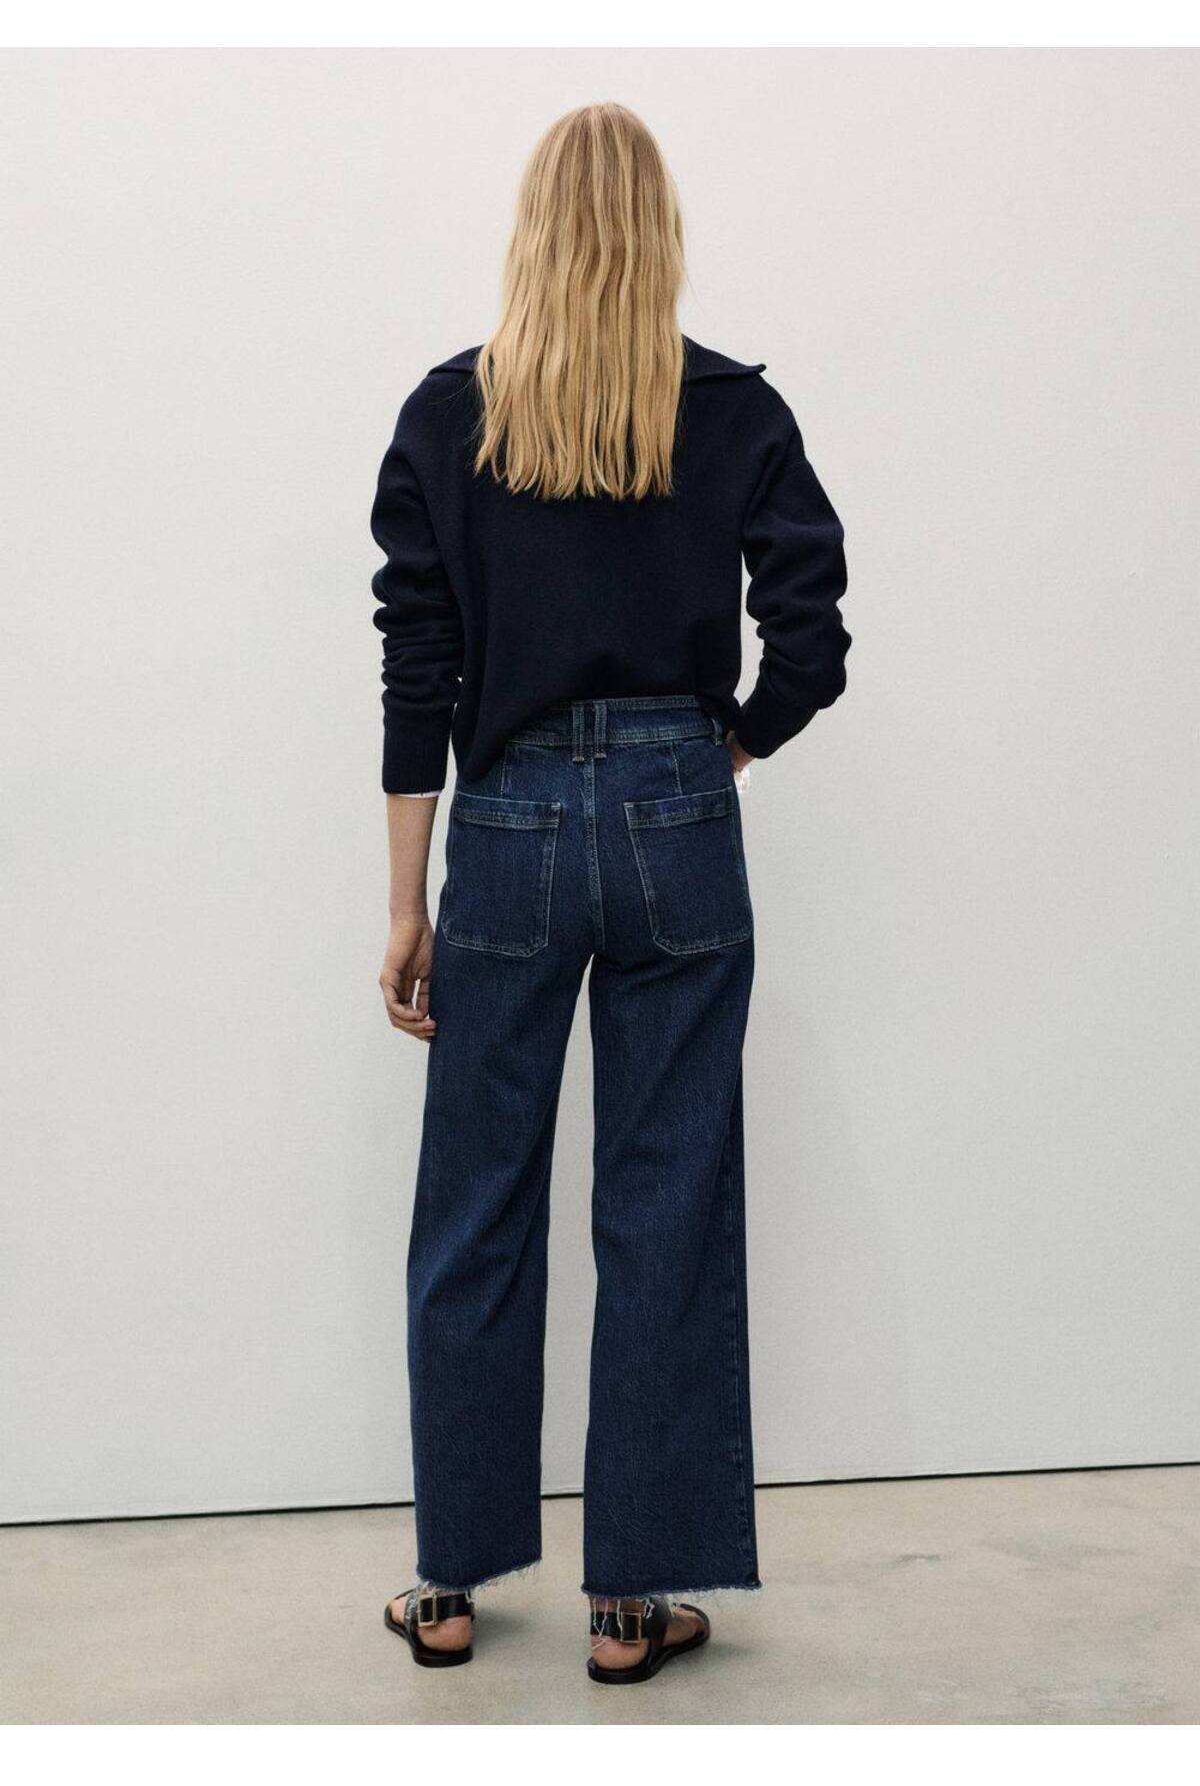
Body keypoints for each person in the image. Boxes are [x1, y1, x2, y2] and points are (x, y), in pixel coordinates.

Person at [371, 102, 849, 1685]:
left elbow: (418, 667)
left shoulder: (450, 414)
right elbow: (812, 634)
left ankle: (450, 1581)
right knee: (666, 1200)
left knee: (475, 1203)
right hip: (675, 818)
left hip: (506, 821)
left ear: (529, 230)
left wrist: (407, 902)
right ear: (661, 233)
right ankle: (633, 1603)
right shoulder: (730, 412)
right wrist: (727, 747)